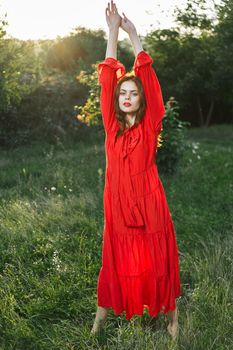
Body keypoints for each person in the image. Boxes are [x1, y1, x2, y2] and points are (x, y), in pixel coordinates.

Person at [91, 0, 182, 338]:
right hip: (118, 203)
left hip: (149, 203)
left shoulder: (150, 126)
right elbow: (107, 76)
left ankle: (173, 323)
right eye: (123, 93)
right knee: (115, 260)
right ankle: (99, 322)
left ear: (142, 100)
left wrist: (134, 34)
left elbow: (147, 77)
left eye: (133, 93)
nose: (127, 96)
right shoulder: (111, 127)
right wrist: (112, 31)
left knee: (157, 261)